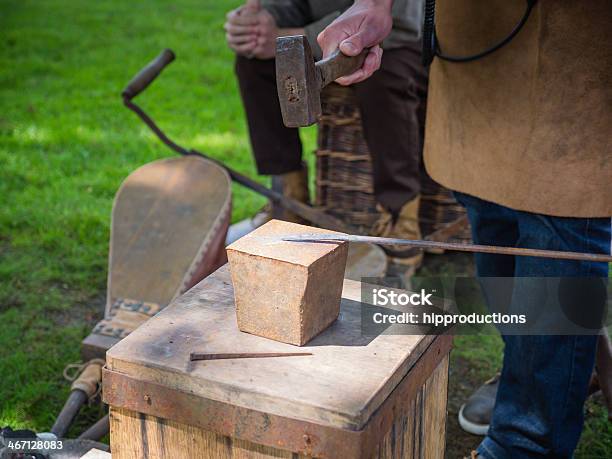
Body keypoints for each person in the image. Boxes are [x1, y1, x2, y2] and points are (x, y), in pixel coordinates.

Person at [317, 1, 612, 457]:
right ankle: (534, 371)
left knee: (554, 235)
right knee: (493, 231)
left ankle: (525, 437)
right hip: (476, 59)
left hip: (578, 62)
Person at [225, 0, 428, 269]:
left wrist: (295, 37)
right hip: (322, 39)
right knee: (253, 64)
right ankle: (289, 201)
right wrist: (260, 25)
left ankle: (400, 217)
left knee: (383, 79)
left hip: (400, 41)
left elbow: (402, 20)